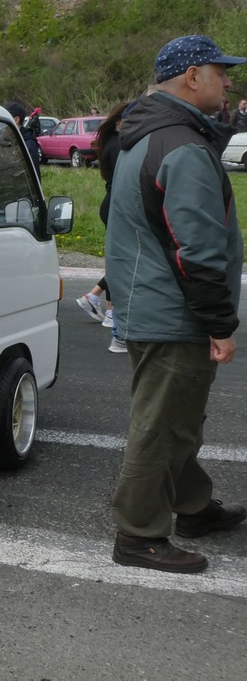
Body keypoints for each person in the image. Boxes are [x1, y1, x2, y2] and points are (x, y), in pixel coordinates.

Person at [105, 35, 246, 574]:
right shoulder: (181, 146)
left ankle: (192, 507)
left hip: (151, 303)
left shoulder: (145, 134)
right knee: (163, 424)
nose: (228, 81)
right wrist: (220, 324)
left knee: (177, 417)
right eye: (220, 71)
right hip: (173, 311)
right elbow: (199, 250)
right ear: (192, 77)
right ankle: (139, 534)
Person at [75, 101, 132, 350]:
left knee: (122, 257)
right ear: (119, 122)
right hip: (117, 205)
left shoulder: (111, 142)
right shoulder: (118, 146)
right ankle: (110, 311)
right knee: (122, 259)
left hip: (113, 204)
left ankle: (94, 296)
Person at [4, 101, 41, 173]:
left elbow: (32, 176)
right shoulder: (5, 140)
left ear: (16, 120)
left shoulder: (28, 145)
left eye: (5, 117)